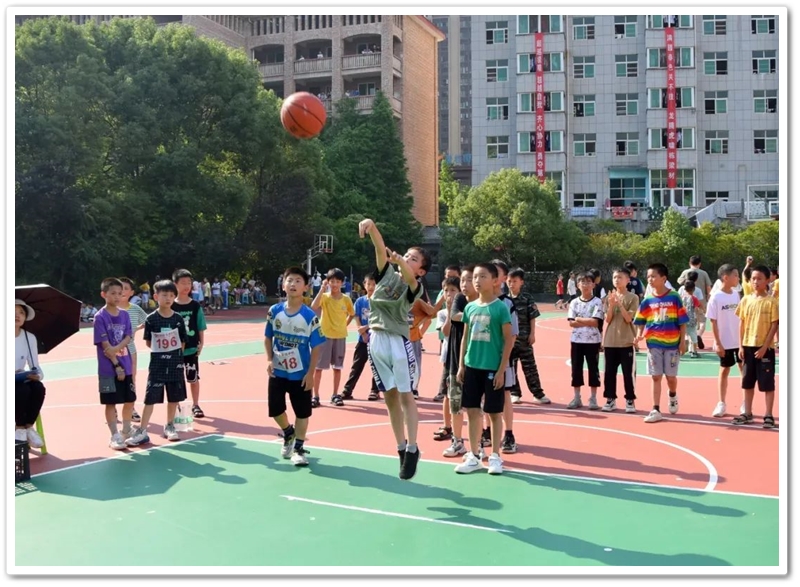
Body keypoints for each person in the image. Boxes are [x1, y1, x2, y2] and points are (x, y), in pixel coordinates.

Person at [358, 218, 429, 480]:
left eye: (414, 259)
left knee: (405, 395)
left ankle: (413, 447)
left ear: (421, 271)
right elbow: (380, 248)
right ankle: (401, 447)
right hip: (376, 339)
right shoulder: (386, 273)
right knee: (389, 397)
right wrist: (372, 226)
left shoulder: (415, 286)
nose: (407, 259)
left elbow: (409, 278)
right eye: (406, 255)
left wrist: (401, 262)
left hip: (398, 342)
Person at [455, 263, 514, 475]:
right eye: (475, 277)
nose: (477, 281)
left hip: (492, 368)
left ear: (495, 281)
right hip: (472, 366)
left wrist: (501, 370)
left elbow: (509, 340)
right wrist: (461, 365)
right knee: (472, 411)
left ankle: (495, 456)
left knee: (494, 412)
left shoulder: (500, 308)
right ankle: (474, 456)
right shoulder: (470, 307)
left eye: (482, 276)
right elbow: (465, 338)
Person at [265, 267, 326, 465]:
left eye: (298, 281)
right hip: (278, 371)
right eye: (289, 280)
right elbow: (268, 337)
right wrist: (269, 359)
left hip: (300, 374)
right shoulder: (274, 311)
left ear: (306, 287)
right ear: (283, 285)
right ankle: (288, 432)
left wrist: (310, 373)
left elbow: (317, 346)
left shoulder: (309, 316)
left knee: (302, 412)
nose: (293, 284)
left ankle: (299, 449)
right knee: (275, 409)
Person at [126, 279, 188, 445]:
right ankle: (142, 430)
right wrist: (162, 350)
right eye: (164, 295)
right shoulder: (151, 319)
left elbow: (182, 341)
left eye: (171, 295)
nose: (168, 298)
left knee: (174, 397)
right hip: (157, 365)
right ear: (156, 297)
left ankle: (170, 425)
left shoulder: (178, 319)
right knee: (151, 397)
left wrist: (175, 355)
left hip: (175, 364)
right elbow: (149, 342)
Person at [634, 263, 689, 423]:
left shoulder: (674, 297)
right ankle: (655, 409)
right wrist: (639, 335)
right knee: (656, 376)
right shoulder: (648, 299)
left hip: (672, 344)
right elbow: (641, 320)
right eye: (648, 277)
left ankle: (672, 395)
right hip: (654, 344)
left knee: (670, 378)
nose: (650, 279)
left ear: (663, 278)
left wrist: (682, 341)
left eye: (653, 276)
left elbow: (682, 321)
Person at [733, 265, 779, 428]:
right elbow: (742, 323)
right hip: (748, 346)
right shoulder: (746, 300)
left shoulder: (772, 302)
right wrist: (741, 346)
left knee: (767, 383)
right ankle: (747, 412)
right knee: (747, 381)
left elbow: (774, 325)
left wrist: (765, 347)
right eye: (753, 278)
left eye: (759, 278)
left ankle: (768, 414)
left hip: (765, 349)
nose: (755, 282)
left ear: (767, 280)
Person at [93, 277, 136, 449]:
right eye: (113, 293)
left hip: (126, 364)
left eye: (120, 293)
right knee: (110, 402)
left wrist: (117, 349)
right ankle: (114, 435)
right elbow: (105, 345)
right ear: (104, 294)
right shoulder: (100, 317)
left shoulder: (124, 314)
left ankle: (127, 429)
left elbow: (128, 336)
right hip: (108, 369)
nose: (117, 296)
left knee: (130, 399)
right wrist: (116, 365)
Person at [311, 268, 355, 407]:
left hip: (340, 337)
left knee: (337, 367)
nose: (335, 284)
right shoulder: (325, 297)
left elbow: (352, 314)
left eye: (337, 281)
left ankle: (335, 395)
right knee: (318, 368)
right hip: (324, 337)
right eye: (332, 281)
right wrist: (321, 289)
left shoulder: (346, 299)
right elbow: (314, 306)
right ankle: (315, 396)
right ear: (328, 282)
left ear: (342, 283)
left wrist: (344, 325)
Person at [506, 267, 550, 406]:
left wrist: (532, 334)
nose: (511, 284)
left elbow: (532, 316)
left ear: (521, 282)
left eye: (515, 281)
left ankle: (538, 394)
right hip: (510, 341)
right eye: (509, 281)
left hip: (525, 340)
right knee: (511, 368)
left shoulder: (527, 298)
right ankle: (515, 393)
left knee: (530, 368)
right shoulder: (504, 300)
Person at [706, 264, 743, 418]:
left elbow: (740, 318)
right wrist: (718, 343)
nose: (738, 278)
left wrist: (742, 340)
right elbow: (713, 322)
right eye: (736, 275)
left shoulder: (736, 295)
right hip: (724, 342)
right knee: (724, 370)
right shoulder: (716, 297)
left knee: (743, 370)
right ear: (726, 277)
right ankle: (721, 403)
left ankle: (745, 403)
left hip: (738, 341)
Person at [601, 268, 639, 413]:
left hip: (626, 341)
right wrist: (611, 305)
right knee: (609, 373)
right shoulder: (609, 297)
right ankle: (610, 399)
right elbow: (608, 319)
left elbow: (629, 318)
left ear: (628, 280)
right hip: (610, 341)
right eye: (615, 277)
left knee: (628, 373)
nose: (617, 280)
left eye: (620, 277)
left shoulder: (633, 298)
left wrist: (620, 304)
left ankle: (630, 400)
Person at [173, 269, 208, 419]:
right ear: (175, 284)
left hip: (191, 348)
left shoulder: (195, 306)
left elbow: (200, 326)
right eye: (183, 283)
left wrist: (201, 343)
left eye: (189, 283)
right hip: (174, 349)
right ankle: (176, 404)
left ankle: (195, 404)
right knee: (175, 378)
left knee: (193, 377)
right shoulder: (171, 305)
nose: (186, 286)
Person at [567, 272, 604, 410]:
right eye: (583, 282)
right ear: (578, 285)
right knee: (576, 369)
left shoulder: (597, 302)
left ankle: (593, 398)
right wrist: (585, 320)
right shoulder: (574, 302)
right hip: (576, 340)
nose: (586, 285)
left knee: (593, 369)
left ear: (593, 284)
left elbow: (595, 322)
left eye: (589, 282)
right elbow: (571, 323)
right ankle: (577, 397)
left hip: (593, 341)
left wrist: (579, 319)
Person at [342, 273, 379, 401]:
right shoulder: (360, 301)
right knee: (357, 365)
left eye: (374, 284)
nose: (371, 287)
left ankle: (375, 390)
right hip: (362, 340)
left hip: (377, 339)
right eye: (369, 284)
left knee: (377, 366)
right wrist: (362, 332)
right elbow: (356, 316)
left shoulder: (380, 302)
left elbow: (380, 319)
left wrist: (366, 327)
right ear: (364, 285)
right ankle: (347, 390)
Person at [14, 299, 46, 448]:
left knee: (38, 387)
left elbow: (35, 366)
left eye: (21, 312)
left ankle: (28, 427)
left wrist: (37, 375)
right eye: (13, 312)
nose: (17, 315)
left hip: (20, 379)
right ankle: (19, 428)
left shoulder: (29, 337)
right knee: (22, 390)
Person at [119, 277, 148, 423]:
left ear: (131, 292)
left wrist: (136, 328)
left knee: (131, 379)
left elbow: (148, 321)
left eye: (126, 288)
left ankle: (131, 408)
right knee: (113, 379)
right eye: (120, 288)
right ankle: (112, 408)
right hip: (112, 351)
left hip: (130, 349)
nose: (122, 291)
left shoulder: (135, 309)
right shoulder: (110, 309)